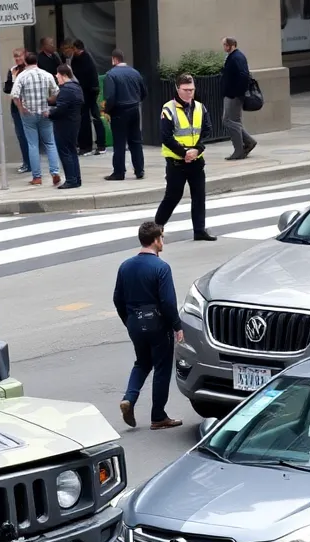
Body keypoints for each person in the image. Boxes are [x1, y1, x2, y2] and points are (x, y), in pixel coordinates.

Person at [114, 221, 184, 431]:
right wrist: (177, 326)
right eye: (161, 237)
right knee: (162, 367)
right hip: (157, 324)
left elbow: (117, 298)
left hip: (135, 323)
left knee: (142, 362)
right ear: (155, 240)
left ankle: (129, 398)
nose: (163, 241)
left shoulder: (125, 266)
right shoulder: (161, 267)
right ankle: (158, 416)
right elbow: (168, 302)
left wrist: (129, 321)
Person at [154, 74, 216, 242]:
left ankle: (199, 230)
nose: (189, 93)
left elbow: (207, 131)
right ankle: (156, 228)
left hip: (196, 160)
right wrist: (184, 153)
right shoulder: (168, 109)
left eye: (192, 89)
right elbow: (166, 137)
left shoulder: (200, 107)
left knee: (199, 196)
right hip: (176, 161)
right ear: (177, 89)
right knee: (173, 196)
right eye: (186, 90)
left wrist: (197, 149)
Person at [12, 52, 61, 187]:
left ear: (25, 62)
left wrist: (21, 108)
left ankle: (37, 177)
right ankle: (55, 172)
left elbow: (15, 95)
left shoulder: (21, 76)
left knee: (32, 145)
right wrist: (48, 102)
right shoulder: (47, 74)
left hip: (29, 114)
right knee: (50, 143)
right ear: (37, 62)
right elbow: (56, 92)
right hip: (45, 112)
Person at [102, 50, 146, 181]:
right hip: (134, 109)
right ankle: (139, 170)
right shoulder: (135, 72)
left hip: (119, 111)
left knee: (119, 143)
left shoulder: (111, 75)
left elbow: (110, 97)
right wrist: (136, 101)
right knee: (135, 141)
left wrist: (107, 110)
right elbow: (144, 92)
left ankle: (119, 172)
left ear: (114, 59)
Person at [220, 37, 258, 160]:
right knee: (230, 120)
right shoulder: (233, 57)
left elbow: (244, 75)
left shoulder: (237, 57)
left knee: (230, 121)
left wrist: (237, 93)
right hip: (231, 94)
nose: (223, 47)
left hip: (233, 95)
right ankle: (248, 142)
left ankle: (239, 150)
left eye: (225, 45)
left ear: (231, 45)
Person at [47, 65, 84, 189]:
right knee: (72, 151)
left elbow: (61, 108)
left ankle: (71, 180)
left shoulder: (66, 90)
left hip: (64, 124)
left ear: (63, 75)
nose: (56, 76)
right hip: (74, 122)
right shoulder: (77, 87)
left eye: (57, 74)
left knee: (65, 152)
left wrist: (49, 113)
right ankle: (76, 179)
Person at [67, 40, 104, 156]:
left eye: (73, 49)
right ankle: (92, 144)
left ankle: (90, 145)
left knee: (88, 117)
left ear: (76, 48)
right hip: (86, 91)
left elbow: (84, 76)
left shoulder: (84, 59)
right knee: (90, 117)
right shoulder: (79, 58)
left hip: (88, 92)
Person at [2, 48, 32, 174]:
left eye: (19, 56)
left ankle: (32, 163)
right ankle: (27, 162)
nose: (17, 59)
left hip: (29, 104)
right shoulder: (13, 70)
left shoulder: (30, 69)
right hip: (16, 106)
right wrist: (14, 78)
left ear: (25, 56)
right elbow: (7, 88)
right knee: (21, 135)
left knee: (31, 135)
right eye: (15, 56)